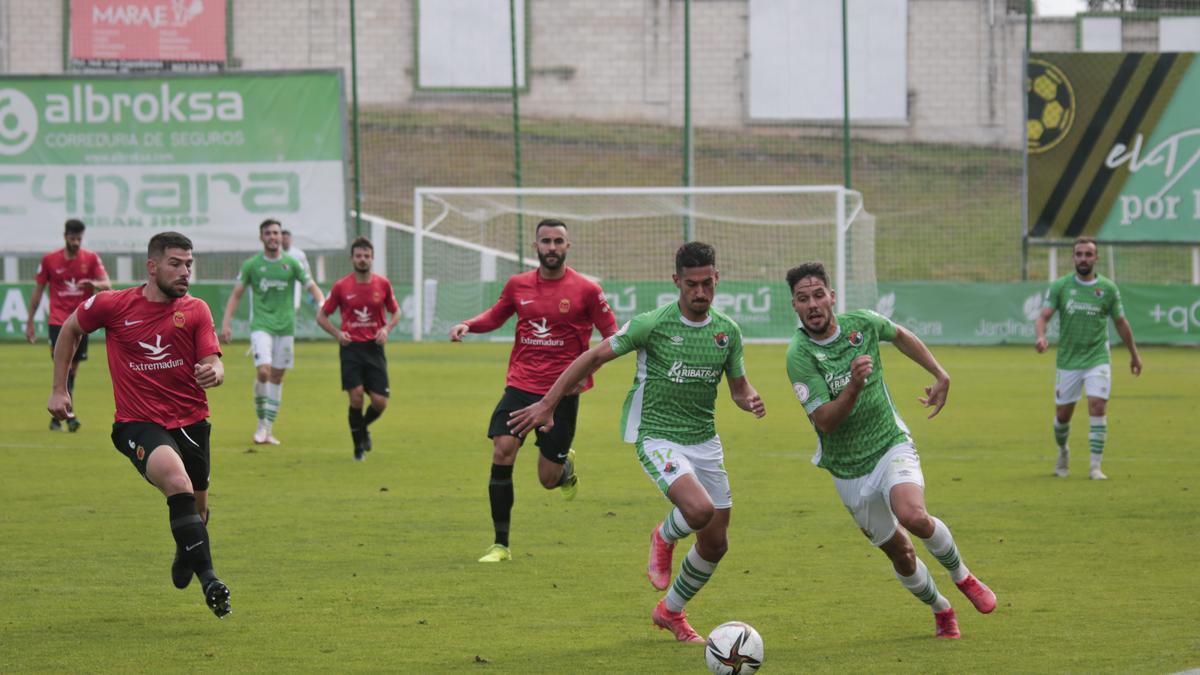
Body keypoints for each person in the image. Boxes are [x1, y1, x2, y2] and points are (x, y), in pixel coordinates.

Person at [509, 242, 766, 644]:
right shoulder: (653, 324)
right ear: (676, 281)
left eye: (707, 284)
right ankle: (664, 536)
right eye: (691, 284)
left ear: (717, 279)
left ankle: (671, 612)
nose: (700, 293)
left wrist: (748, 398)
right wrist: (547, 403)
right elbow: (593, 357)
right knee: (698, 511)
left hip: (704, 440)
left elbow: (737, 387)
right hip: (657, 435)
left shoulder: (726, 332)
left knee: (716, 544)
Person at [783, 261, 995, 639]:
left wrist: (939, 373)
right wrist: (852, 386)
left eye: (818, 295)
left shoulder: (861, 324)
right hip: (847, 469)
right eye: (803, 299)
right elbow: (825, 421)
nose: (813, 304)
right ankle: (940, 608)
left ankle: (963, 576)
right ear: (795, 307)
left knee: (913, 514)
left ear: (832, 296)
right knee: (901, 553)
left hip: (888, 444)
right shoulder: (798, 355)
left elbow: (898, 335)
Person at [46, 231, 231, 618]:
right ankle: (211, 580)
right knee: (176, 482)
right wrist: (59, 389)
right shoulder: (114, 305)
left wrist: (214, 371)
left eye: (189, 265)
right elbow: (70, 330)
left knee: (198, 514)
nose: (185, 272)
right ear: (152, 266)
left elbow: (214, 359)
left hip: (192, 421)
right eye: (175, 264)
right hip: (137, 422)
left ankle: (186, 551)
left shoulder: (196, 310)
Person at [448, 218, 618, 563]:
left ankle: (564, 468)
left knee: (548, 479)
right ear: (535, 246)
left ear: (568, 247)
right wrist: (469, 324)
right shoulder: (518, 285)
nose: (551, 248)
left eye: (558, 241)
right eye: (546, 241)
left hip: (561, 393)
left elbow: (613, 336)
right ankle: (500, 545)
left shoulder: (587, 290)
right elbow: (496, 316)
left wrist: (591, 369)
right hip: (520, 386)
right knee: (503, 450)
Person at [1035, 236, 1142, 480]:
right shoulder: (1061, 286)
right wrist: (1041, 337)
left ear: (1096, 258)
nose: (1083, 258)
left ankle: (1095, 466)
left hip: (1097, 357)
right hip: (1068, 360)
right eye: (1079, 254)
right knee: (1063, 416)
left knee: (1098, 405)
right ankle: (1063, 451)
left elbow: (1121, 323)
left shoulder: (1108, 289)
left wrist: (1134, 355)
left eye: (1088, 254)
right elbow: (1043, 316)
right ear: (1073, 257)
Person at [220, 219, 325, 445]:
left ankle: (268, 429)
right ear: (262, 237)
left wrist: (322, 304)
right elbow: (236, 294)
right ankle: (260, 424)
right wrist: (226, 324)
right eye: (268, 233)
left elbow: (311, 286)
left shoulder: (292, 263)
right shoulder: (252, 265)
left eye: (276, 232)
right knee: (264, 372)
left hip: (286, 327)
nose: (273, 236)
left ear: (281, 236)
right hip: (261, 326)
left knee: (277, 376)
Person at [316, 237, 402, 461]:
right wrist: (337, 333)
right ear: (352, 258)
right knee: (355, 398)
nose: (362, 260)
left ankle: (361, 428)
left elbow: (396, 311)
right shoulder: (341, 286)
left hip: (374, 347)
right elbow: (322, 316)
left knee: (380, 402)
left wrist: (387, 329)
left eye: (366, 256)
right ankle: (358, 449)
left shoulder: (382, 284)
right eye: (358, 256)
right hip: (351, 348)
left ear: (372, 258)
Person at [26, 219, 111, 432]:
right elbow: (38, 292)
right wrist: (30, 322)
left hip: (81, 321)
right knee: (62, 367)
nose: (76, 242)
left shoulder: (90, 258)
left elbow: (107, 284)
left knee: (71, 370)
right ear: (65, 236)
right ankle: (68, 416)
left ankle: (59, 416)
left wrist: (95, 284)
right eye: (73, 238)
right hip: (57, 321)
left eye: (79, 239)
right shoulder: (49, 260)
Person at [281, 228, 312, 311]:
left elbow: (306, 271)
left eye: (287, 238)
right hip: (279, 285)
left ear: (291, 239)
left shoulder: (299, 254)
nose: (285, 241)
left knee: (294, 308)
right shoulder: (276, 254)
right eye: (283, 239)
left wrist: (309, 289)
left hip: (294, 286)